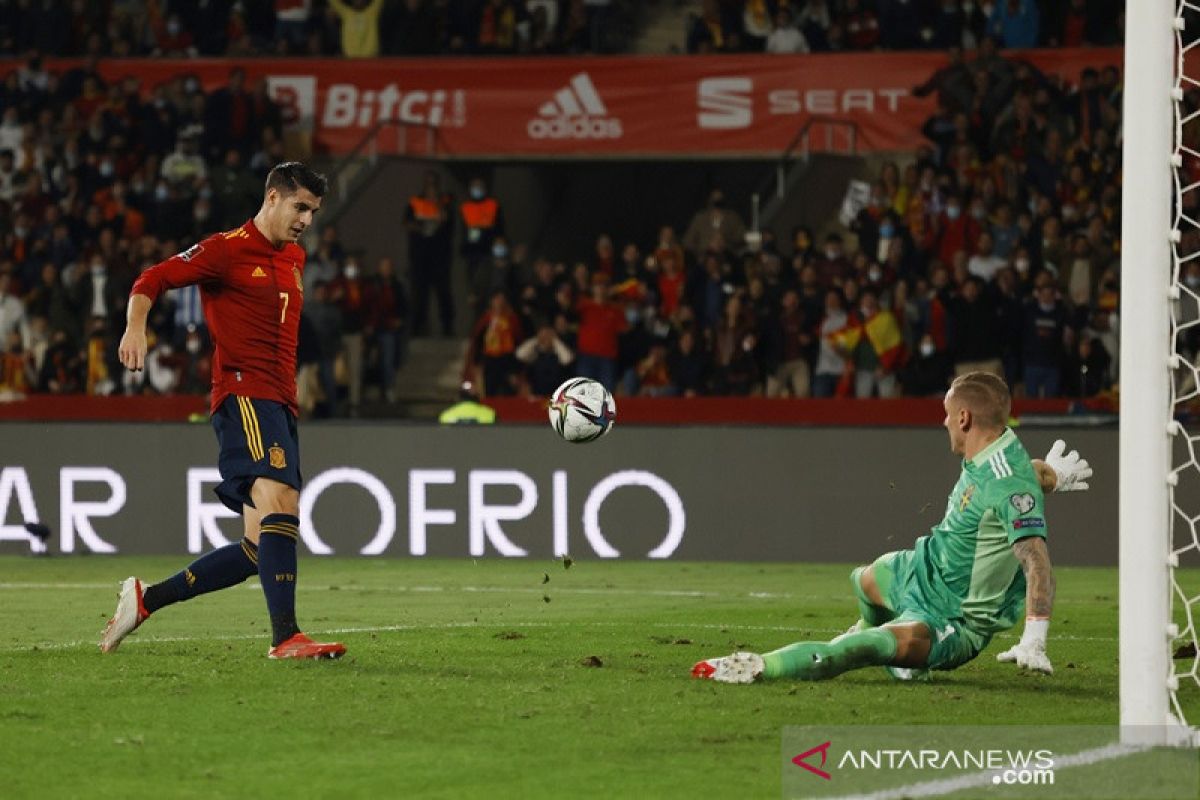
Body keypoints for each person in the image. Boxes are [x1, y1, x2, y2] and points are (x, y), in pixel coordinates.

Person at [693, 372, 1092, 684]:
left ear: (965, 418)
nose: (944, 421)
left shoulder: (1008, 480)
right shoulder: (998, 449)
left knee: (855, 649)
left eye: (948, 413)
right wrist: (1052, 474)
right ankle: (877, 633)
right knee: (866, 579)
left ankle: (757, 666)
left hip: (952, 619)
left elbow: (1037, 560)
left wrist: (1035, 639)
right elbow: (1019, 479)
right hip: (924, 568)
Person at [100, 162, 345, 660]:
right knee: (281, 501)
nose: (306, 221)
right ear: (272, 198)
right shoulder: (226, 249)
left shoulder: (294, 257)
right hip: (244, 395)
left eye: (313, 212)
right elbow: (153, 278)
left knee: (259, 546)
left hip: (280, 401)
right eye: (299, 207)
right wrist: (134, 327)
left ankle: (146, 600)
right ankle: (286, 638)